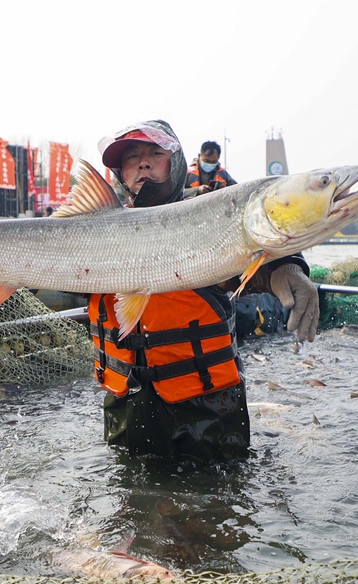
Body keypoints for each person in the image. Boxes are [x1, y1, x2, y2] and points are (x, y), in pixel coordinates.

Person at [88, 120, 320, 460]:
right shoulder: (90, 229)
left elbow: (251, 240)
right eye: (132, 156)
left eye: (156, 152)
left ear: (178, 163)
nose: (143, 162)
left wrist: (288, 266)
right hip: (127, 408)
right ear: (120, 172)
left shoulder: (208, 216)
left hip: (208, 413)